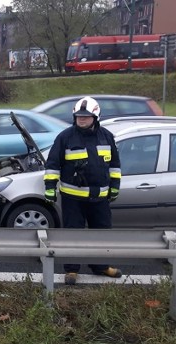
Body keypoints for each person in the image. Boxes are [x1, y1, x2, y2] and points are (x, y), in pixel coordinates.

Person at [43, 96, 123, 285]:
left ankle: (101, 266)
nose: (82, 119)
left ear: (95, 117)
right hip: (73, 198)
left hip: (100, 197)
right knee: (73, 234)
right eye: (79, 116)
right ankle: (72, 270)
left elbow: (115, 165)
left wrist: (114, 187)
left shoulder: (106, 136)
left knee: (102, 233)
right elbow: (52, 165)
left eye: (86, 117)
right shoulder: (65, 137)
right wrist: (49, 188)